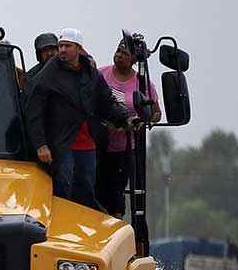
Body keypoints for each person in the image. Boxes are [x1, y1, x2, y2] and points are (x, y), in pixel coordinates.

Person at [25, 28, 134, 209]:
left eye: (67, 46)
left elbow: (106, 103)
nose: (62, 50)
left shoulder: (91, 74)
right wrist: (40, 145)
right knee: (63, 192)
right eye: (61, 46)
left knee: (86, 192)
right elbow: (33, 111)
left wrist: (127, 117)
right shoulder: (47, 75)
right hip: (61, 145)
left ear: (78, 48)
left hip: (88, 144)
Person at [96, 36, 162, 218]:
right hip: (98, 145)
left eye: (125, 53)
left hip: (126, 149)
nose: (119, 56)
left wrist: (139, 121)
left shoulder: (142, 84)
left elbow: (156, 113)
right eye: (118, 51)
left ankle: (116, 227)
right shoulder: (100, 75)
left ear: (134, 59)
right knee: (95, 191)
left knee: (117, 193)